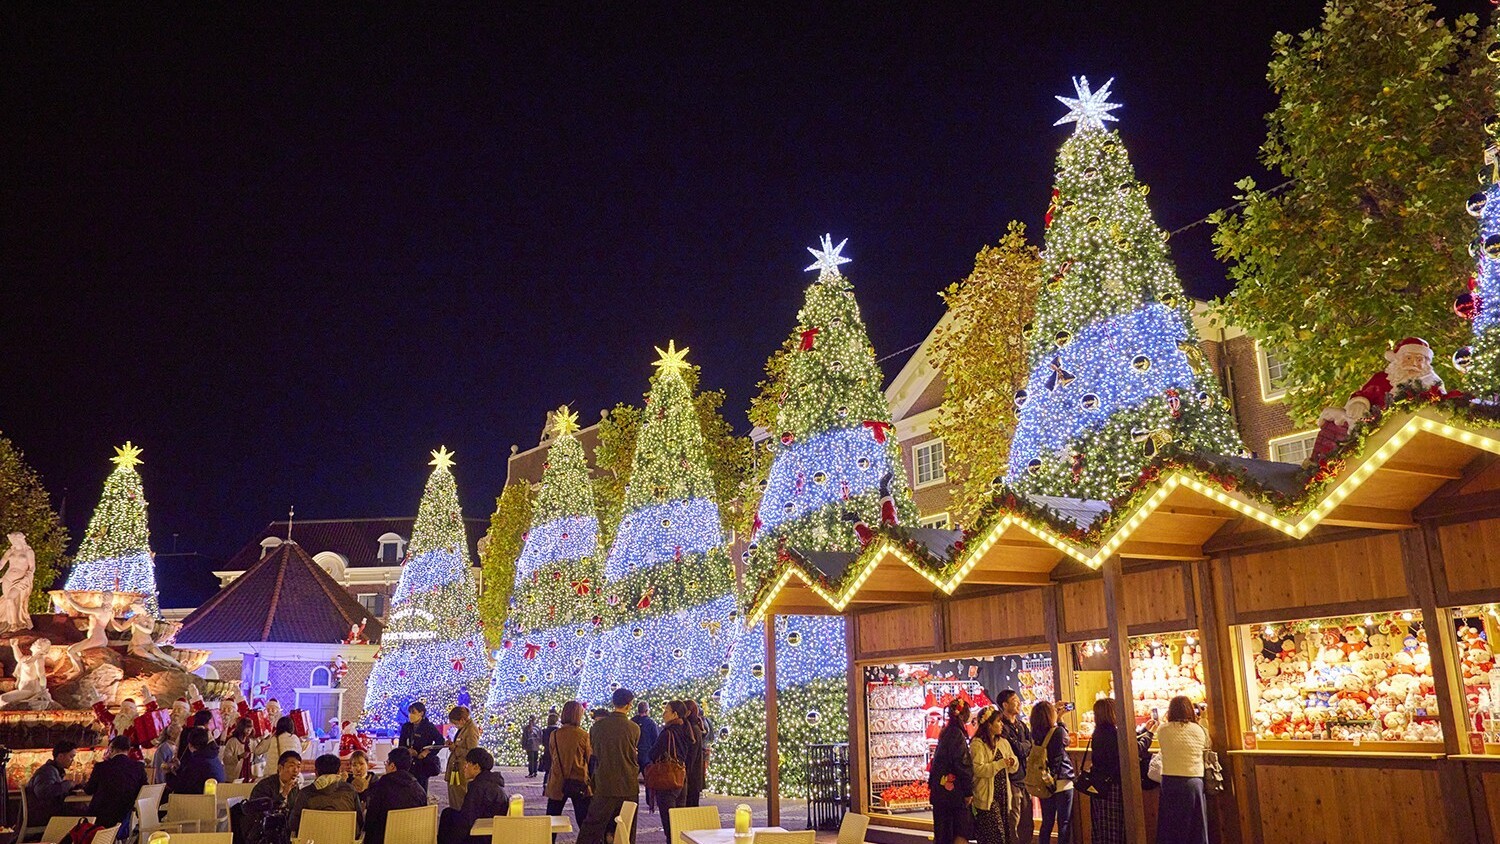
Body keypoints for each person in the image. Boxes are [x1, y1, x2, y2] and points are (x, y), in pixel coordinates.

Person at [577, 687, 641, 844]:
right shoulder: (634, 728)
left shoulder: (597, 727)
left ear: (613, 702)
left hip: (605, 782)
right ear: (629, 704)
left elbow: (594, 752)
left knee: (592, 827)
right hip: (628, 783)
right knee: (626, 829)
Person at [1155, 695, 1209, 844]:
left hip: (1170, 781)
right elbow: (1208, 743)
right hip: (1194, 781)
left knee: (1170, 828)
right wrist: (1203, 718)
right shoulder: (1199, 730)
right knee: (1196, 828)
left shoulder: (1163, 729)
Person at [438, 747, 509, 844]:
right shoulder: (491, 781)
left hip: (481, 834)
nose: (464, 767)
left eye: (467, 763)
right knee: (449, 813)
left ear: (476, 767)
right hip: (490, 829)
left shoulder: (478, 787)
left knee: (447, 816)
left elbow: (467, 819)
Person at [928, 699, 975, 844]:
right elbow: (962, 764)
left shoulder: (947, 732)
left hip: (941, 790)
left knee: (943, 833)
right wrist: (968, 791)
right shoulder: (957, 735)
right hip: (953, 793)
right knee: (958, 832)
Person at [650, 701, 697, 842]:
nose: (664, 714)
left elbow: (652, 754)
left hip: (668, 780)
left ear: (675, 714)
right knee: (678, 823)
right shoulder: (688, 729)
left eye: (666, 711)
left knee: (669, 824)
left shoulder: (668, 733)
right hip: (682, 778)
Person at [970, 706, 1019, 844]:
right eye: (998, 721)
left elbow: (1014, 766)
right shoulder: (978, 744)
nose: (1001, 724)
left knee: (1005, 833)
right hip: (987, 797)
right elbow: (978, 769)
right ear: (989, 724)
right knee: (995, 835)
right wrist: (1000, 764)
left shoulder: (1003, 742)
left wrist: (1012, 762)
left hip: (1003, 795)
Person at [86, 735, 149, 839]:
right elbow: (143, 791)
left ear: (111, 749)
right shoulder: (138, 767)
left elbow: (89, 790)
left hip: (100, 817)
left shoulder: (101, 767)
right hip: (125, 817)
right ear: (128, 750)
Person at [1083, 698, 1128, 844]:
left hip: (1098, 785)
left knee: (1101, 827)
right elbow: (1125, 753)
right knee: (1115, 829)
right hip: (1112, 786)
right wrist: (1148, 734)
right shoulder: (1113, 734)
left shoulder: (1097, 732)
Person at [1030, 701, 1075, 844]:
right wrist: (1061, 721)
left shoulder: (1034, 734)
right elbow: (1066, 742)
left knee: (1047, 822)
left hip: (1044, 781)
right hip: (1061, 780)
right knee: (1064, 823)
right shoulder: (1058, 731)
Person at [364, 747, 429, 844]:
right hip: (413, 838)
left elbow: (371, 819)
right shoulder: (418, 788)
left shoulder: (382, 786)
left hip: (386, 838)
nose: (386, 766)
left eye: (387, 762)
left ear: (392, 766)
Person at [545, 701, 592, 828]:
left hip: (557, 780)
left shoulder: (554, 734)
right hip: (578, 781)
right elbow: (589, 757)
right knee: (584, 821)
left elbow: (552, 753)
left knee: (551, 821)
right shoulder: (583, 735)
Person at [292, 753, 364, 837]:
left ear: (316, 772)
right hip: (344, 840)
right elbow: (360, 820)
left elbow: (293, 824)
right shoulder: (350, 791)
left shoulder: (305, 793)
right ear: (338, 771)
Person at [997, 691, 1034, 844]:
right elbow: (1018, 749)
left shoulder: (1021, 725)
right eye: (1014, 700)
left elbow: (1029, 745)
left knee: (1027, 819)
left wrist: (1023, 747)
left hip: (1025, 777)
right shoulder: (1001, 727)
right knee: (1014, 819)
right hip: (1012, 779)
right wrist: (1024, 747)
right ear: (1005, 705)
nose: (1018, 703)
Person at [244, 751, 302, 844]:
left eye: (298, 767)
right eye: (292, 766)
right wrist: (284, 793)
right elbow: (260, 811)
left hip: (282, 833)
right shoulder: (265, 786)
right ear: (280, 768)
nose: (296, 770)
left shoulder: (295, 788)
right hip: (261, 833)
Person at [27, 740, 78, 828]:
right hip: (43, 817)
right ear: (61, 756)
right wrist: (69, 784)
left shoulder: (53, 770)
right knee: (84, 815)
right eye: (71, 756)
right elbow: (44, 791)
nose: (72, 760)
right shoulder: (47, 771)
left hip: (47, 814)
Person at [399, 701, 444, 793]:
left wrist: (427, 752)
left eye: (414, 712)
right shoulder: (406, 727)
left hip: (422, 763)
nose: (411, 715)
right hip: (408, 763)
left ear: (421, 713)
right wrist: (407, 751)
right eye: (410, 712)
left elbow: (440, 741)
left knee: (421, 789)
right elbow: (401, 744)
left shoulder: (429, 727)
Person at [170, 726, 227, 795]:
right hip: (215, 800)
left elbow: (180, 788)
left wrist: (169, 773)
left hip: (198, 802)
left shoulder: (197, 762)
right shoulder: (214, 758)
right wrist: (179, 770)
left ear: (190, 745)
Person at [446, 705, 481, 808]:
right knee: (454, 797)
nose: (455, 726)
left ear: (462, 720)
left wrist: (455, 749)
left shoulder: (471, 730)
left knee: (460, 798)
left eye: (455, 723)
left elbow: (472, 752)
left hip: (462, 770)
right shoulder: (464, 728)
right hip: (455, 769)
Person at [631, 702, 659, 813]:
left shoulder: (632, 721)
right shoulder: (651, 723)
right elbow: (655, 740)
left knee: (632, 779)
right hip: (647, 755)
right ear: (647, 710)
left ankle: (631, 802)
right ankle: (650, 803)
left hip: (634, 754)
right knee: (649, 781)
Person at [681, 700, 708, 808]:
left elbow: (691, 755)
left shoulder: (691, 729)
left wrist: (685, 773)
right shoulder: (696, 727)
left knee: (689, 807)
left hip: (691, 777)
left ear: (688, 712)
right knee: (692, 805)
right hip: (695, 776)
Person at [222, 717, 260, 783]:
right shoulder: (232, 742)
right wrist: (239, 757)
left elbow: (259, 753)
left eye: (250, 728)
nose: (249, 730)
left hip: (248, 776)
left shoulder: (252, 741)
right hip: (234, 777)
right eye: (246, 728)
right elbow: (226, 759)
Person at [538, 711, 560, 788]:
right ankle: (554, 787)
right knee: (556, 771)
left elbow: (542, 741)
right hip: (556, 753)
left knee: (547, 771)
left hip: (547, 752)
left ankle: (545, 786)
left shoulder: (544, 731)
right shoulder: (558, 731)